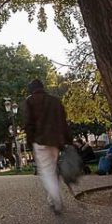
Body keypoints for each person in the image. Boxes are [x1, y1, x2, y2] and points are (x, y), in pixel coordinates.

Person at [24, 79, 72, 215]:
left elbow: (28, 123)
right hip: (56, 141)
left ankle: (56, 200)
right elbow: (63, 122)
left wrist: (30, 141)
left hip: (40, 141)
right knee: (52, 170)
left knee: (47, 171)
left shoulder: (30, 101)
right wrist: (68, 140)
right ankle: (52, 199)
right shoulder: (55, 101)